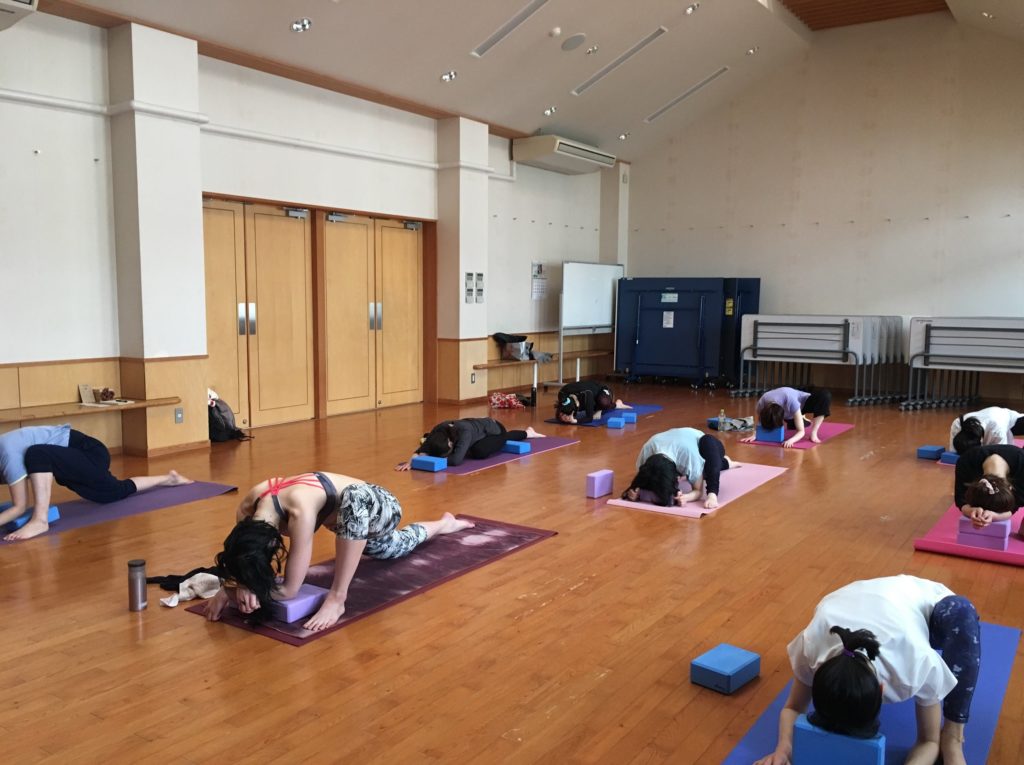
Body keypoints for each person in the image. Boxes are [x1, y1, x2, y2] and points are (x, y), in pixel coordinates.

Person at [204, 472, 474, 631]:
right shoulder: (248, 508)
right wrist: (233, 584)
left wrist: (238, 591)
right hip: (347, 524)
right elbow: (242, 554)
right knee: (393, 547)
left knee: (355, 498)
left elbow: (290, 590)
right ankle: (445, 524)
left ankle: (337, 598)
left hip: (380, 504)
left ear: (274, 543)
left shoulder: (300, 513)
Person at [754, 575, 980, 765]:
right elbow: (793, 708)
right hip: (853, 599)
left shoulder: (916, 662)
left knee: (963, 613)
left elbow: (929, 741)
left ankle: (954, 737)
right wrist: (784, 749)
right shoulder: (812, 645)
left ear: (881, 690)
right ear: (817, 674)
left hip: (923, 602)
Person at [0, 424, 192, 542]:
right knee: (110, 494)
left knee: (36, 453)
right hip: (68, 460)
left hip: (89, 452)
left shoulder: (8, 455)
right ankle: (169, 478)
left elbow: (19, 507)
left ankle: (40, 521)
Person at [621, 427, 738, 509]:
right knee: (700, 470)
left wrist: (686, 497)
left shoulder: (688, 457)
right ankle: (725, 463)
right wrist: (636, 492)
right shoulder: (647, 452)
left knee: (708, 445)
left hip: (703, 443)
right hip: (676, 444)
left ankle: (714, 490)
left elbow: (698, 491)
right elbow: (643, 481)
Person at [395, 418, 546, 470]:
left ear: (451, 442)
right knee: (468, 449)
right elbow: (422, 448)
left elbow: (456, 460)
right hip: (475, 433)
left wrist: (432, 458)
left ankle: (528, 433)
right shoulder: (438, 430)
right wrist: (412, 461)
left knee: (479, 451)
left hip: (495, 430)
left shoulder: (464, 432)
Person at [953, 443, 1024, 530]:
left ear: (1011, 487)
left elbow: (1014, 506)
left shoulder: (1021, 472)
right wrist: (972, 511)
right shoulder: (966, 463)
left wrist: (996, 515)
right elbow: (961, 501)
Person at [740, 386, 831, 448]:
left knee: (824, 395)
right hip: (790, 414)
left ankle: (813, 432)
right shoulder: (761, 404)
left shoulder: (790, 400)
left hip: (802, 405)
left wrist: (791, 440)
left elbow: (801, 431)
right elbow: (760, 423)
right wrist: (755, 435)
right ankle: (801, 419)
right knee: (795, 425)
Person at [949, 406, 1024, 453]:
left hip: (1010, 418)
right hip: (992, 416)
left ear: (981, 441)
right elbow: (953, 451)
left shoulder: (997, 431)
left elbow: (1003, 454)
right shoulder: (957, 424)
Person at [554, 380, 630, 424]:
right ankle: (598, 408)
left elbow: (589, 418)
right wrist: (562, 416)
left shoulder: (586, 395)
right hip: (590, 396)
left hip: (603, 391)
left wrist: (575, 421)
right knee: (592, 406)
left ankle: (617, 404)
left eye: (564, 416)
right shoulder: (563, 396)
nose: (565, 417)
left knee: (603, 402)